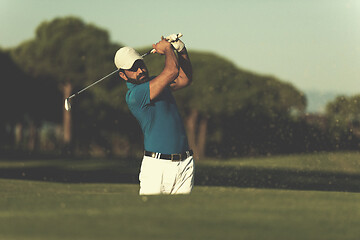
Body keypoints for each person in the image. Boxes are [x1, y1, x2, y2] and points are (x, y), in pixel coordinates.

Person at [114, 34, 194, 195]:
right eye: (133, 68)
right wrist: (167, 49)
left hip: (185, 163)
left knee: (181, 218)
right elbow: (172, 71)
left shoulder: (157, 82)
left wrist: (182, 51)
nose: (140, 70)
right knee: (148, 218)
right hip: (158, 167)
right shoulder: (135, 95)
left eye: (140, 64)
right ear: (123, 75)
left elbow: (185, 79)